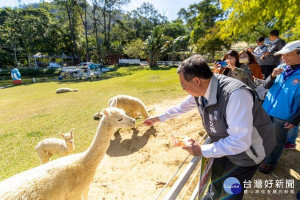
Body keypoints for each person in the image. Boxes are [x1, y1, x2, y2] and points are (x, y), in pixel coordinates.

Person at [143, 55, 275, 200]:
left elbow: (240, 141)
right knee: (217, 181)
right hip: (222, 145)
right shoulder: (202, 90)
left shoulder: (236, 95)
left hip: (248, 154)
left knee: (230, 191)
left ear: (196, 80)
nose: (183, 89)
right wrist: (158, 118)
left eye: (183, 85)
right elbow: (182, 107)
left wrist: (201, 150)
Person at [259, 40, 300, 174]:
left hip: (283, 115)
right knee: (263, 136)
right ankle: (262, 157)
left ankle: (270, 162)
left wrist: (295, 119)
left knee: (277, 141)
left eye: (288, 55)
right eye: (283, 55)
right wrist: (272, 76)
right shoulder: (282, 68)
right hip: (267, 109)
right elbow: (266, 85)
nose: (283, 58)